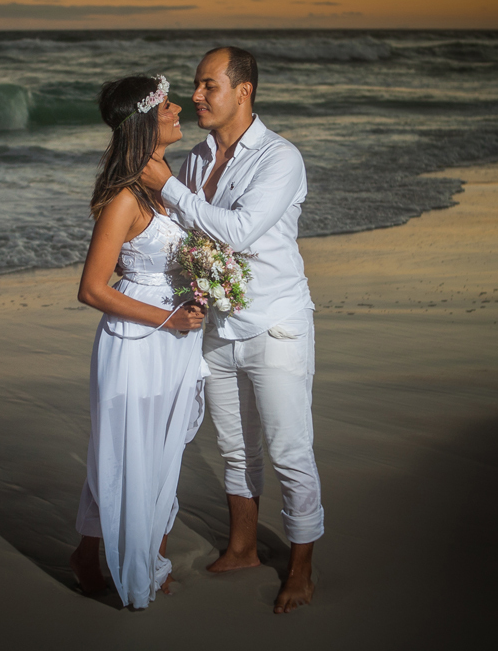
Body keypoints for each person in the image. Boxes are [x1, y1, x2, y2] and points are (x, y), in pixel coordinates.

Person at [141, 47, 322, 614]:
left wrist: (166, 185)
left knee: (290, 450)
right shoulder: (195, 160)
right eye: (196, 87)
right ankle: (243, 547)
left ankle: (300, 568)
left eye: (206, 85)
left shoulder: (279, 157)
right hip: (217, 326)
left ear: (243, 91)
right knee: (236, 450)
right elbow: (184, 234)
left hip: (276, 325)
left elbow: (238, 232)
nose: (196, 96)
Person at [70, 74, 208, 610]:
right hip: (136, 342)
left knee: (162, 449)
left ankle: (144, 554)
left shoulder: (166, 180)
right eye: (167, 103)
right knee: (127, 454)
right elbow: (91, 289)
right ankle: (117, 558)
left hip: (174, 337)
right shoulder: (124, 198)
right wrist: (168, 320)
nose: (179, 108)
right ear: (146, 120)